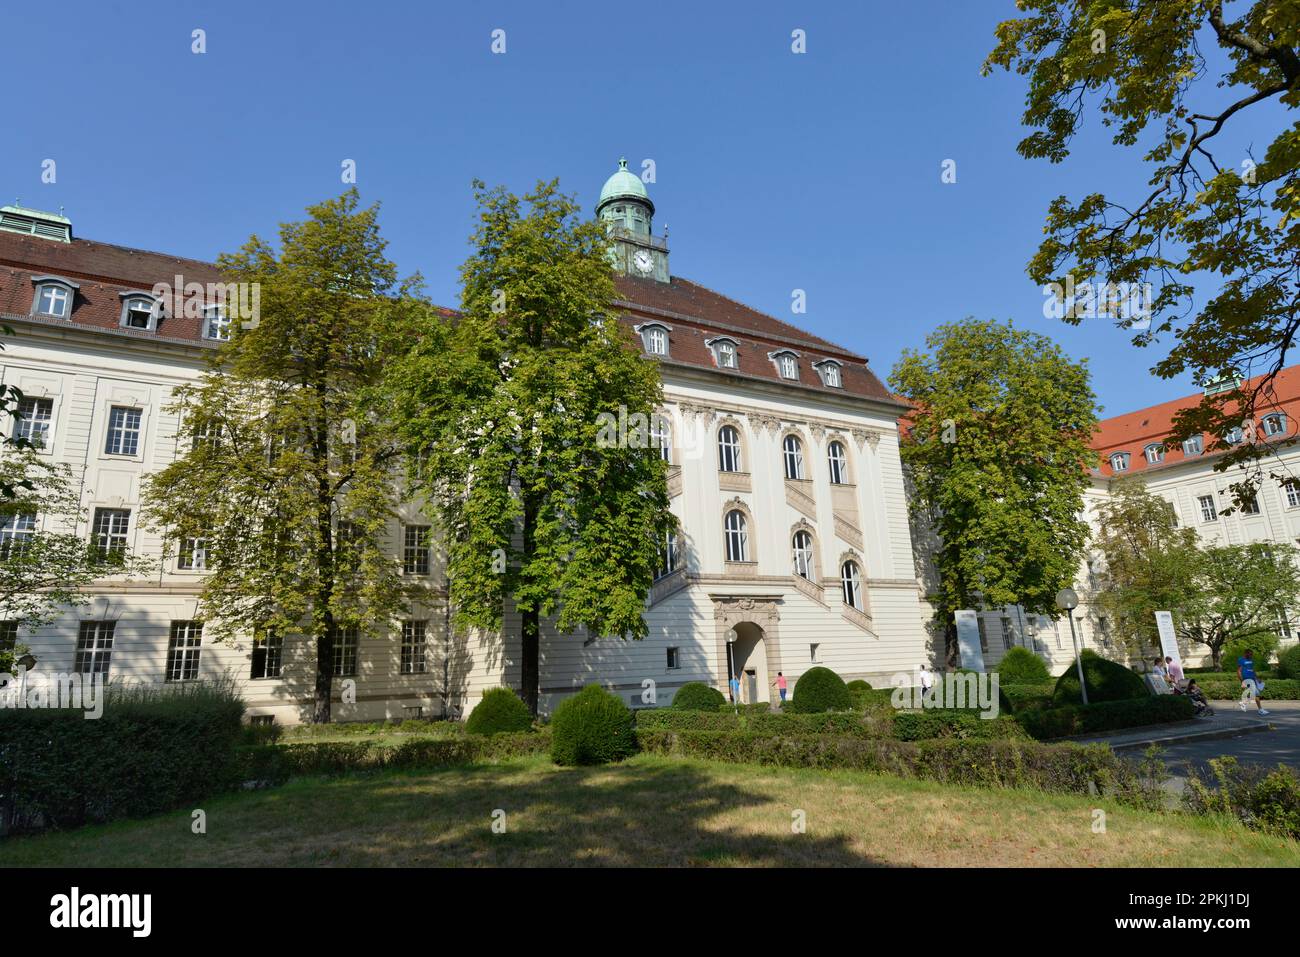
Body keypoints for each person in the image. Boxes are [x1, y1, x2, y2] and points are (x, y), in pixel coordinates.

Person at [1237, 650, 1270, 716]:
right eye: (1250, 654)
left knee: (1254, 693)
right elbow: (1239, 671)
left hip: (1253, 679)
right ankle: (1260, 710)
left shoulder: (1251, 660)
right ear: (1245, 653)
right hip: (1247, 679)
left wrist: (1257, 678)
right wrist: (1242, 681)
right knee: (1256, 694)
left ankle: (1243, 703)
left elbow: (1252, 670)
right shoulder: (1241, 660)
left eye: (1252, 654)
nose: (1251, 655)